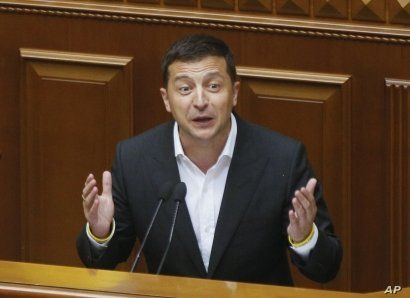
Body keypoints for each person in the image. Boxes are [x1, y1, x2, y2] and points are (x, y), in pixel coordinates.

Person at [77, 34, 342, 285]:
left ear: (235, 93)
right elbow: (102, 261)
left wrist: (304, 238)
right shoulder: (134, 159)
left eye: (213, 86)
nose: (200, 101)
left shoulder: (282, 158)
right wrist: (101, 233)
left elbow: (327, 268)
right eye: (185, 88)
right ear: (166, 99)